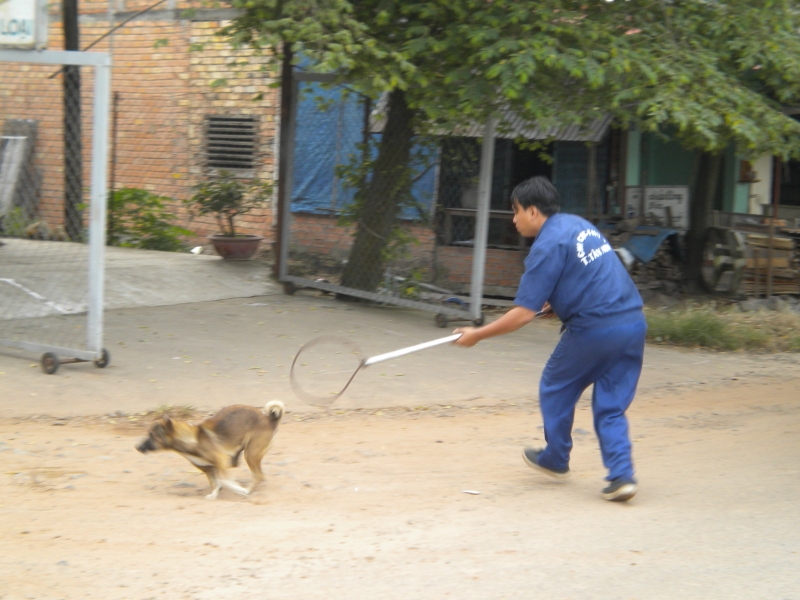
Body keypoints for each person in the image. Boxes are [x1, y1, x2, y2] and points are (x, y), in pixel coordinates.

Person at [453, 176, 646, 502]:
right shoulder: (577, 225)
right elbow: (590, 276)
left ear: (532, 211)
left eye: (515, 211)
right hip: (632, 324)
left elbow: (523, 313)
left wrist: (478, 335)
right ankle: (622, 476)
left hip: (595, 330)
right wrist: (559, 303)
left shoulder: (546, 246)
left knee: (556, 385)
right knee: (611, 407)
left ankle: (556, 458)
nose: (513, 219)